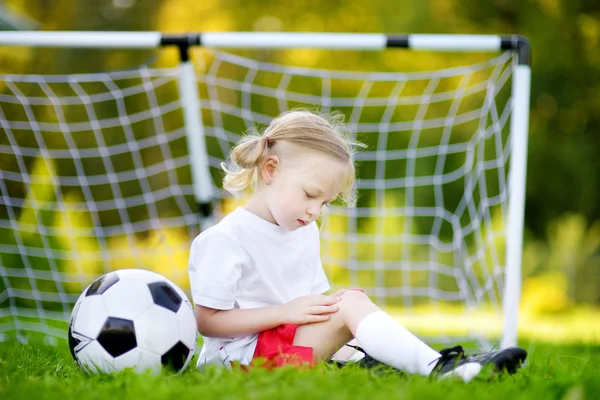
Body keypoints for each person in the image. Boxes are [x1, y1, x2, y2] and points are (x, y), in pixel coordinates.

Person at [187, 110, 527, 382]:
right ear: (270, 169)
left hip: (285, 344)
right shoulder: (225, 239)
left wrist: (343, 336)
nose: (315, 211)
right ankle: (442, 369)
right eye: (309, 195)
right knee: (350, 304)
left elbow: (314, 311)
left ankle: (431, 364)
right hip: (240, 360)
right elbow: (207, 322)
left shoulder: (304, 231)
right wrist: (284, 312)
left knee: (353, 312)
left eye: (325, 203)